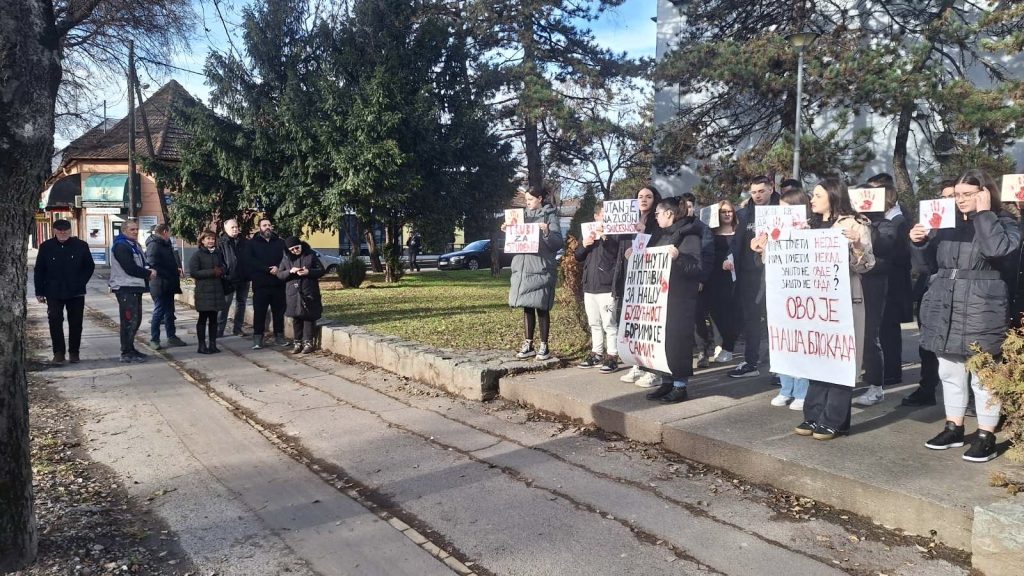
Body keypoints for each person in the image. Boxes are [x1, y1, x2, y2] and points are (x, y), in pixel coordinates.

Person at [913, 169, 1020, 462]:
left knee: (983, 373)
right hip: (944, 303)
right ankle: (954, 427)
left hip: (982, 307)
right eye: (957, 195)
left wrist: (984, 214)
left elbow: (997, 249)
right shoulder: (945, 225)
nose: (960, 200)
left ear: (984, 192)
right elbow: (926, 267)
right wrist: (920, 242)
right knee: (949, 370)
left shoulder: (1005, 222)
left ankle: (986, 434)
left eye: (967, 194)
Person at [795, 178, 875, 440]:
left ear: (832, 196)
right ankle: (814, 414)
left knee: (841, 357)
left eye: (817, 195)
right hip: (815, 303)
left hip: (844, 301)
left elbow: (866, 265)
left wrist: (856, 245)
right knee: (818, 356)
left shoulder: (856, 224)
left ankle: (835, 419)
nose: (812, 200)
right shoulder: (808, 226)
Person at [637, 198, 704, 404]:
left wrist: (679, 258)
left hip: (678, 299)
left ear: (669, 214)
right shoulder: (659, 235)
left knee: (677, 343)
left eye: (657, 213)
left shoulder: (689, 235)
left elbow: (697, 268)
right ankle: (666, 382)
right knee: (661, 343)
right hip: (659, 299)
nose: (655, 217)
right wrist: (635, 255)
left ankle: (680, 385)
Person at [751, 187, 811, 410]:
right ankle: (786, 388)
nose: (783, 214)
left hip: (802, 295)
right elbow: (765, 265)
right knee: (782, 340)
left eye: (788, 209)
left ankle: (803, 391)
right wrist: (762, 250)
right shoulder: (773, 231)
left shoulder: (811, 229)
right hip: (778, 294)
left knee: (801, 343)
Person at [901, 180, 956, 407]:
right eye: (944, 197)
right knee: (927, 345)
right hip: (930, 291)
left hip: (959, 293)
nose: (949, 201)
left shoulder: (972, 225)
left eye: (954, 196)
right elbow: (923, 266)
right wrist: (919, 242)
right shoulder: (931, 226)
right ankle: (927, 388)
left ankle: (968, 397)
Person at [852, 177, 901, 407]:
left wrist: (868, 227)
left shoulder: (885, 224)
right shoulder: (849, 222)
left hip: (873, 285)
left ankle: (876, 386)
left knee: (870, 334)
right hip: (851, 282)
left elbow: (884, 247)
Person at [727, 175, 779, 378]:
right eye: (754, 192)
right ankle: (751, 361)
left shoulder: (783, 210)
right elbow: (736, 243)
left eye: (762, 191)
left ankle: (781, 368)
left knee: (776, 320)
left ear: (771, 189)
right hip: (749, 276)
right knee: (751, 321)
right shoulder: (744, 214)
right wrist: (730, 258)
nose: (757, 195)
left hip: (775, 274)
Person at [505, 187, 564, 361]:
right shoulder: (521, 216)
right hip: (523, 268)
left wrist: (546, 231)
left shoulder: (549, 216)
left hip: (541, 267)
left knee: (542, 307)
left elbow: (557, 242)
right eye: (526, 200)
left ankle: (544, 345)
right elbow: (515, 240)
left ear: (539, 198)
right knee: (527, 306)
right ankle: (528, 343)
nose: (527, 203)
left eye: (530, 199)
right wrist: (508, 230)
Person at [619, 185, 663, 386]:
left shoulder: (658, 220)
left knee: (649, 324)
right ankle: (637, 364)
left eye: (648, 196)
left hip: (651, 277)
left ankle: (653, 369)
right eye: (640, 196)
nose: (644, 200)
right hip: (633, 276)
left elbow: (662, 241)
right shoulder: (629, 219)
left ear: (655, 199)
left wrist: (646, 231)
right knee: (634, 323)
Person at [34, 219, 94, 364]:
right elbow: (39, 270)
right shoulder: (46, 247)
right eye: (59, 230)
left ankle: (74, 352)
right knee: (55, 321)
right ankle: (58, 353)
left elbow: (89, 266)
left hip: (76, 291)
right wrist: (39, 291)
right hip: (53, 291)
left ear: (70, 230)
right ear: (54, 231)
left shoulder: (81, 246)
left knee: (76, 322)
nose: (62, 233)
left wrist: (81, 282)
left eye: (65, 230)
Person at [575, 203, 622, 372]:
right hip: (589, 285)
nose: (605, 219)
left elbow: (616, 253)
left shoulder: (614, 233)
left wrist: (605, 238)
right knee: (594, 322)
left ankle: (612, 355)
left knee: (609, 323)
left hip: (606, 285)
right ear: (596, 217)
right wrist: (584, 245)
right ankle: (597, 352)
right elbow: (578, 256)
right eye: (602, 215)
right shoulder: (587, 232)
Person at [109, 220, 157, 363]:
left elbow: (141, 263)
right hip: (125, 287)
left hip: (134, 287)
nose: (135, 232)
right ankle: (126, 352)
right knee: (129, 321)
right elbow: (129, 267)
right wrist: (148, 273)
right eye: (132, 229)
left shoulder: (134, 245)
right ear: (124, 230)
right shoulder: (121, 246)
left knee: (136, 320)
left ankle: (131, 348)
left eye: (136, 229)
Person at [681, 192, 718, 369]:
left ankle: (703, 351)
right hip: (678, 280)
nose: (687, 209)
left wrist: (702, 279)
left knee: (697, 318)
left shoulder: (702, 228)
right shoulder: (675, 227)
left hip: (696, 281)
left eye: (690, 206)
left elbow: (708, 255)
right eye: (684, 206)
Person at [703, 200, 739, 364]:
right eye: (723, 211)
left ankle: (729, 347)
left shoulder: (739, 232)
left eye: (729, 211)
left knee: (730, 314)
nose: (726, 214)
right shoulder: (710, 232)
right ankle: (719, 343)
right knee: (714, 312)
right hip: (714, 277)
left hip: (734, 279)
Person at [244, 217, 289, 350]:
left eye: (269, 225)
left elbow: (286, 258)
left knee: (279, 312)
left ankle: (279, 336)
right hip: (261, 284)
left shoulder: (281, 243)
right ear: (259, 228)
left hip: (278, 283)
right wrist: (267, 269)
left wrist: (278, 268)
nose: (267, 227)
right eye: (264, 225)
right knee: (260, 312)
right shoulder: (252, 243)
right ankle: (258, 338)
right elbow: (250, 261)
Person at [277, 237, 326, 353]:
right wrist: (290, 271)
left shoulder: (310, 255)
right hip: (293, 293)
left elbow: (321, 270)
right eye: (292, 250)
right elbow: (279, 275)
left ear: (301, 245)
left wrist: (308, 272)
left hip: (309, 291)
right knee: (297, 318)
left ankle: (308, 342)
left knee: (308, 317)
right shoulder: (285, 258)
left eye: (297, 248)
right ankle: (297, 343)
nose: (295, 251)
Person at [145, 223, 186, 350]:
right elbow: (152, 264)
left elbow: (170, 260)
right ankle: (154, 339)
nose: (170, 235)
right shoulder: (154, 245)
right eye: (169, 232)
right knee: (159, 312)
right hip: (160, 283)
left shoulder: (164, 244)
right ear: (164, 232)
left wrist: (176, 269)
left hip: (169, 283)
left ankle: (171, 336)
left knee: (170, 312)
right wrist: (168, 272)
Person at [188, 230, 227, 354]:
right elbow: (194, 272)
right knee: (203, 319)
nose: (211, 241)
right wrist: (211, 272)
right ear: (202, 240)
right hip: (204, 291)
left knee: (214, 319)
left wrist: (222, 270)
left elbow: (223, 266)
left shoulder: (217, 253)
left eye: (212, 239)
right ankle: (201, 345)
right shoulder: (197, 255)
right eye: (208, 239)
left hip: (216, 291)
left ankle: (213, 344)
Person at [217, 218, 249, 338]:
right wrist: (224, 273)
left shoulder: (244, 241)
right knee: (225, 304)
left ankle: (238, 328)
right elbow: (218, 260)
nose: (235, 229)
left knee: (241, 304)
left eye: (236, 227)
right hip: (228, 279)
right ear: (226, 229)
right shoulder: (221, 242)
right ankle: (219, 330)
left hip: (244, 278)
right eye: (232, 227)